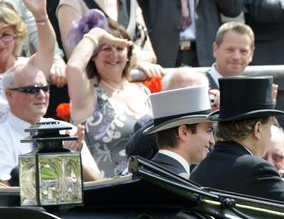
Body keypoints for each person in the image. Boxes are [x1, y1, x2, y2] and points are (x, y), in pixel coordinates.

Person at [66, 13, 152, 177]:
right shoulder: (87, 93)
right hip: (108, 191)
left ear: (128, 55)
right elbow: (74, 68)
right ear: (93, 56)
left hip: (149, 187)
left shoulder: (144, 91)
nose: (114, 54)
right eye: (106, 48)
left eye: (120, 48)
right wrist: (96, 35)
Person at [191, 76, 284, 203]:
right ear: (258, 129)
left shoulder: (200, 169)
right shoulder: (257, 169)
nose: (269, 136)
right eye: (268, 128)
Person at [0, 62, 100, 181]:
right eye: (32, 90)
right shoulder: (2, 136)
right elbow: (7, 186)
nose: (42, 95)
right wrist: (58, 160)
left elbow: (97, 181)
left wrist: (71, 159)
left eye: (45, 88)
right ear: (9, 94)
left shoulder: (67, 131)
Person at [0, 0, 58, 123]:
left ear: (17, 36)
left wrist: (41, 15)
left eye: (6, 35)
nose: (0, 43)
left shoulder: (28, 68)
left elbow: (48, 48)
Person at [143, 85, 214, 178]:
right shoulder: (180, 181)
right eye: (208, 130)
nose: (212, 141)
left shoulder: (142, 172)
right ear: (184, 132)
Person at [207, 21, 254, 90]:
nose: (236, 57)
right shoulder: (197, 87)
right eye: (230, 50)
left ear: (251, 54)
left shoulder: (254, 90)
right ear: (215, 49)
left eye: (243, 51)